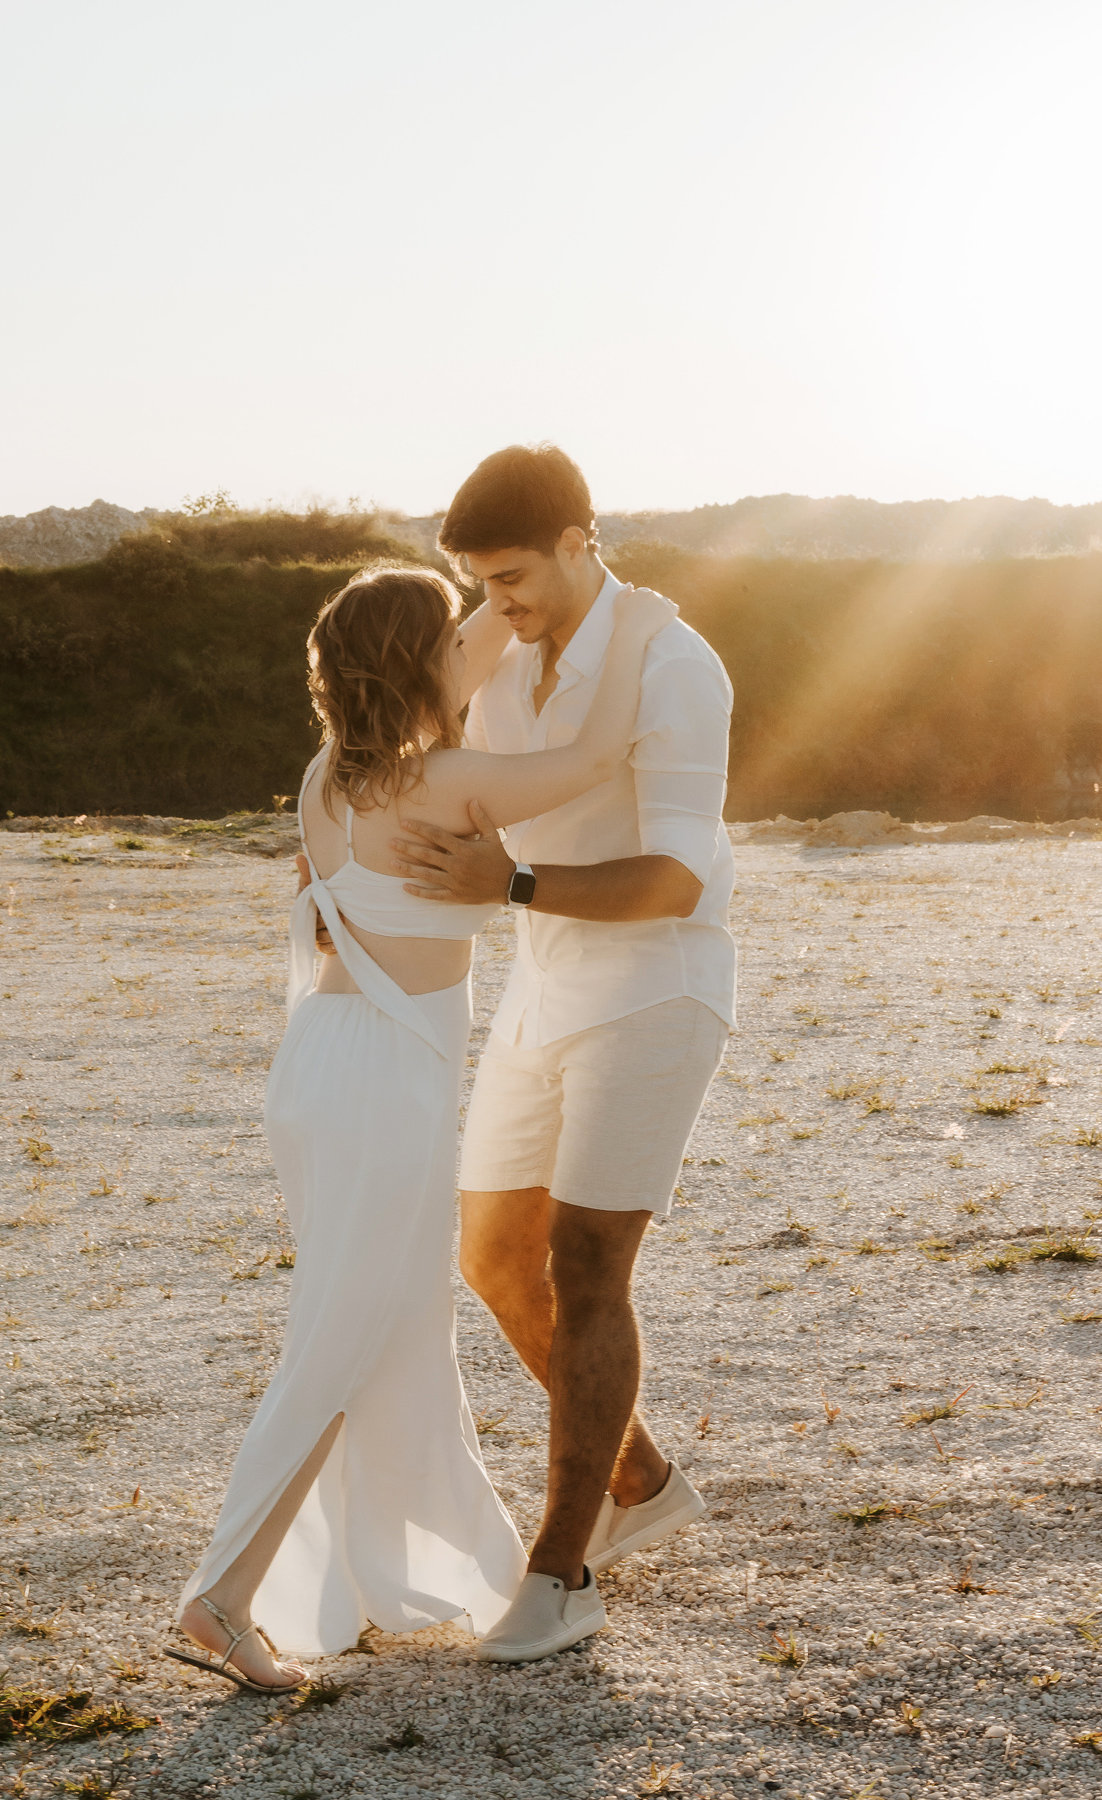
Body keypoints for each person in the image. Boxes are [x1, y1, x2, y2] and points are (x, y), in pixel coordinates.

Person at [166, 560, 675, 1693]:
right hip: (388, 1083)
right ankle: (225, 1594)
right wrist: (634, 623)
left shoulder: (324, 781)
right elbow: (594, 760)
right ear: (423, 667)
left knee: (390, 1332)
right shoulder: (448, 784)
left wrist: (496, 601)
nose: (471, 649)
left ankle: (414, 1566)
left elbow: (461, 656)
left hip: (318, 1069)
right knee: (342, 1339)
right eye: (450, 640)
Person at [388, 444, 737, 1663]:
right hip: (543, 988)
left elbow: (678, 877)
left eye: (517, 577)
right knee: (492, 1257)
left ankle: (562, 1571)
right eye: (480, 584)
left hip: (655, 986)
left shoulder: (676, 664)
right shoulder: (494, 650)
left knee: (588, 1264)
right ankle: (639, 1482)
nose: (502, 602)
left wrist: (517, 880)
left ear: (584, 537)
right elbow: (412, 757)